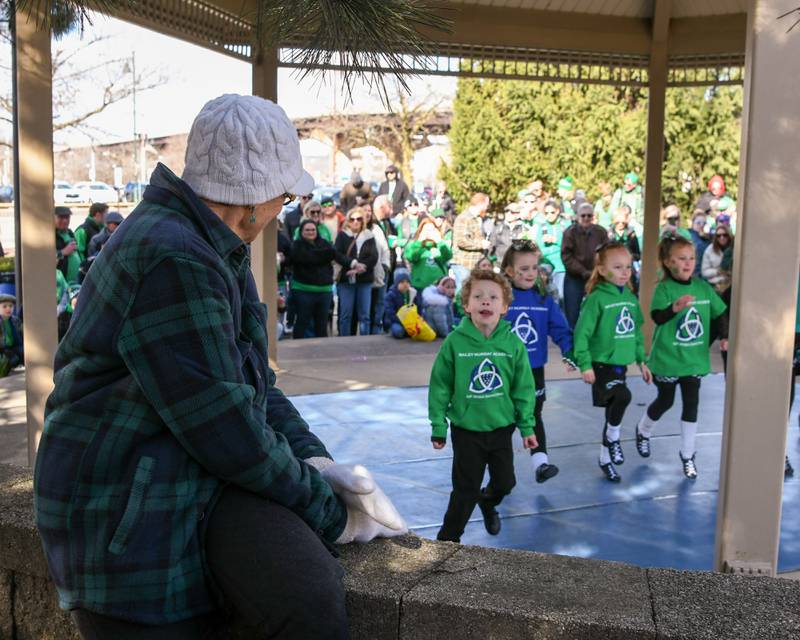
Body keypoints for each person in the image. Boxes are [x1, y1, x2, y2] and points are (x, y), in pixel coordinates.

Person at [35, 94, 406, 640]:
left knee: (305, 592)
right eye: (283, 191)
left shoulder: (209, 246)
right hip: (125, 517)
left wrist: (314, 456)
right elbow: (225, 427)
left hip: (177, 482)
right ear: (252, 196)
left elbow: (254, 382)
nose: (285, 204)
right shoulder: (175, 258)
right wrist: (330, 512)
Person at [428, 267, 537, 542]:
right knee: (465, 490)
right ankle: (447, 541)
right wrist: (438, 425)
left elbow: (523, 388)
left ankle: (488, 502)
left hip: (501, 427)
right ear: (466, 305)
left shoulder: (512, 343)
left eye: (492, 297)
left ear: (504, 307)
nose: (485, 301)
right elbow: (440, 385)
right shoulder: (455, 342)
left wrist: (527, 426)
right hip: (466, 429)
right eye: (478, 297)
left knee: (505, 483)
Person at [636, 235, 728, 479]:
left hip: (693, 361)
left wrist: (725, 335)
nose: (688, 263)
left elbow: (721, 313)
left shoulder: (702, 287)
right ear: (668, 262)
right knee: (665, 401)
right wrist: (674, 308)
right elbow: (657, 317)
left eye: (691, 258)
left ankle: (688, 455)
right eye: (681, 259)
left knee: (691, 404)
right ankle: (643, 430)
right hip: (667, 359)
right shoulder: (664, 288)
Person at [573, 242, 652, 482]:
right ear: (602, 269)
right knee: (623, 397)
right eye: (617, 267)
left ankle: (605, 458)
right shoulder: (596, 299)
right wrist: (584, 364)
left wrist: (642, 360)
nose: (625, 272)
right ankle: (613, 439)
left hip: (621, 365)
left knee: (612, 412)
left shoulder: (629, 297)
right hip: (600, 366)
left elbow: (636, 331)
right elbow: (582, 333)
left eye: (627, 266)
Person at [502, 241, 574, 484]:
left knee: (534, 413)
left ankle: (540, 463)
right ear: (510, 271)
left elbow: (560, 329)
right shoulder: (502, 300)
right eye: (524, 269)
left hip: (533, 370)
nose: (531, 273)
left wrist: (569, 351)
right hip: (505, 371)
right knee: (506, 419)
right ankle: (501, 466)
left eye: (534, 267)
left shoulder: (544, 301)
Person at [291, 219, 352, 340]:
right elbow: (306, 258)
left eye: (313, 229)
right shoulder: (296, 245)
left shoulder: (324, 243)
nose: (310, 232)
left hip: (324, 292)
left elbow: (336, 255)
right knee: (302, 323)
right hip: (303, 291)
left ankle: (321, 353)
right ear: (301, 231)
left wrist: (353, 263)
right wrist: (325, 254)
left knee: (322, 325)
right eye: (307, 230)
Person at [561, 202, 608, 329]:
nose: (586, 218)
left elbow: (606, 254)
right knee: (572, 314)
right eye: (583, 215)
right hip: (574, 277)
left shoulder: (601, 232)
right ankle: (573, 344)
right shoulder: (569, 233)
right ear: (577, 217)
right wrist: (583, 271)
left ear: (593, 216)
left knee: (598, 311)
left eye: (589, 215)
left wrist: (595, 272)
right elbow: (566, 257)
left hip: (596, 277)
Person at [334, 206, 378, 336]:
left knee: (364, 315)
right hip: (346, 280)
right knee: (345, 315)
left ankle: (365, 342)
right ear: (348, 220)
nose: (355, 222)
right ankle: (344, 342)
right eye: (352, 219)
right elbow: (337, 254)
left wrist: (362, 267)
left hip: (364, 279)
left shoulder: (369, 236)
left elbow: (373, 256)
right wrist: (353, 263)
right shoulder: (342, 235)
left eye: (359, 219)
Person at [451, 192, 490, 289]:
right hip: (463, 264)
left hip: (474, 264)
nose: (488, 206)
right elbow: (462, 241)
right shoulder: (464, 218)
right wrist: (481, 244)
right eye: (487, 203)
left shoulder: (478, 219)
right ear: (481, 203)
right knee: (463, 294)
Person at [403, 218, 452, 292]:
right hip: (420, 287)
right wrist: (419, 242)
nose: (429, 233)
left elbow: (448, 256)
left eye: (432, 230)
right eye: (426, 230)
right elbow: (411, 257)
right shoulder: (415, 245)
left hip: (439, 287)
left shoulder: (440, 244)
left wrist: (439, 241)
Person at [364, 203, 391, 335]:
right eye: (364, 210)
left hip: (380, 272)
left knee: (379, 304)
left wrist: (385, 266)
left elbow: (385, 249)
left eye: (369, 210)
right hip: (364, 275)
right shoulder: (356, 229)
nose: (367, 213)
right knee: (366, 307)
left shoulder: (376, 228)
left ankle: (376, 332)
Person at [535, 200, 569, 303]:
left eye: (552, 212)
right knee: (546, 296)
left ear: (558, 211)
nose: (549, 215)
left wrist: (555, 240)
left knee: (561, 296)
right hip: (545, 265)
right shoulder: (542, 226)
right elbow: (538, 246)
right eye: (546, 213)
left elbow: (570, 244)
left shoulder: (565, 225)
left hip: (561, 265)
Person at [701, 223, 734, 292]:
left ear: (729, 235)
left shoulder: (735, 248)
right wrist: (718, 271)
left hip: (732, 284)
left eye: (725, 235)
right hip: (715, 284)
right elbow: (704, 272)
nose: (722, 237)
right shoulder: (709, 250)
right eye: (719, 236)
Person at [383, 268, 415, 338]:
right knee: (399, 332)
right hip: (395, 321)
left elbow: (417, 308)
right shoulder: (390, 295)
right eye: (402, 282)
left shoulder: (412, 293)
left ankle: (407, 331)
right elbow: (390, 313)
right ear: (396, 283)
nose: (405, 284)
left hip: (410, 321)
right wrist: (403, 322)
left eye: (407, 282)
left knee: (419, 331)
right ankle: (391, 330)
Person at [55, 206, 81, 285]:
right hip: (61, 283)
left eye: (67, 217)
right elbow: (45, 259)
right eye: (61, 217)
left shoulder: (70, 232)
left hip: (75, 280)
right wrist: (63, 252)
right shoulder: (50, 236)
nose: (65, 220)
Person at [0, 292, 22, 376]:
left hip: (14, 346)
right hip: (3, 348)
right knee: (11, 360)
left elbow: (21, 331)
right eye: (4, 306)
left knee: (22, 352)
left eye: (11, 306)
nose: (8, 309)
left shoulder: (15, 320)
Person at [688, 212, 711, 278]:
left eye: (704, 223)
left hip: (703, 273)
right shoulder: (689, 235)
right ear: (693, 223)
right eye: (698, 223)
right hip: (694, 273)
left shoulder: (707, 238)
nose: (701, 225)